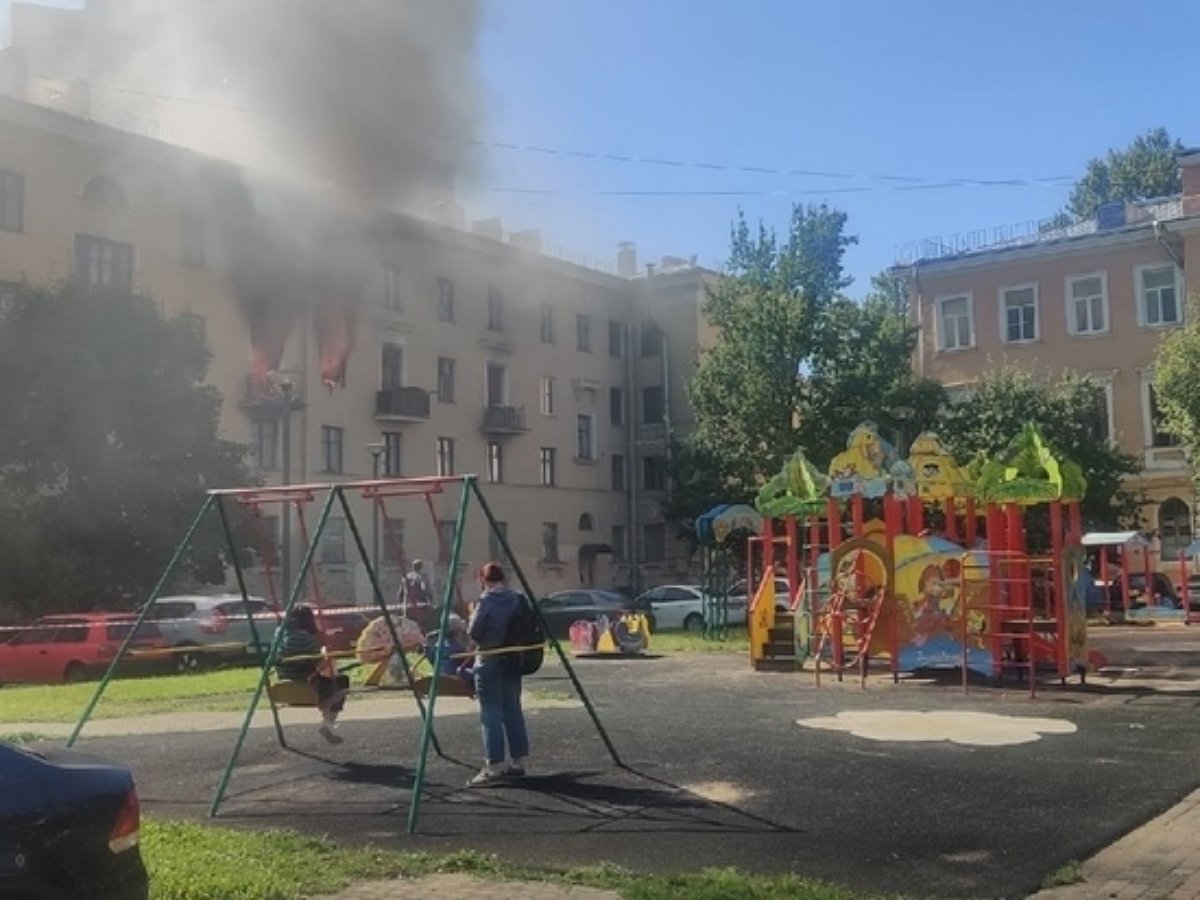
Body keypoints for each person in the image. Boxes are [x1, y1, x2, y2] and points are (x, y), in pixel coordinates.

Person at [465, 561, 529, 786]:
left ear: (483, 580)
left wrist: (473, 614)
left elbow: (474, 632)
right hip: (512, 660)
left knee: (490, 713)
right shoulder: (517, 598)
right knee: (512, 709)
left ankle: (493, 765)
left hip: (489, 659)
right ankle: (518, 761)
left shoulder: (487, 600)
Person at [277, 605, 349, 744]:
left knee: (331, 683)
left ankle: (326, 715)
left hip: (283, 682)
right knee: (341, 681)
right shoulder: (305, 638)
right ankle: (327, 721)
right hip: (307, 684)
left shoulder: (279, 633)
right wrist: (325, 654)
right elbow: (321, 665)